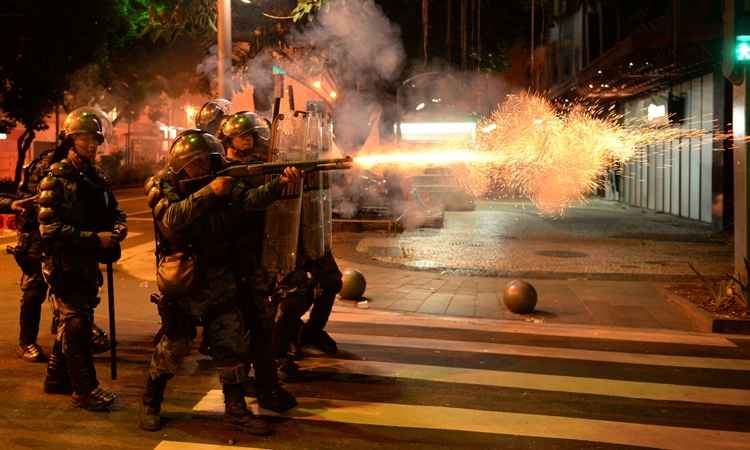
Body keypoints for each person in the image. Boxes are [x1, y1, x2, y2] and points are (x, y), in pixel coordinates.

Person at [138, 129, 302, 434]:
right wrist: (210, 191)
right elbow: (172, 218)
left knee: (232, 346)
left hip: (221, 279)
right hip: (185, 282)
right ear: (182, 164)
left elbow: (250, 200)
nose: (206, 169)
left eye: (211, 162)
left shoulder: (223, 178)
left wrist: (281, 183)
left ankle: (236, 409)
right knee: (173, 348)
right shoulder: (163, 185)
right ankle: (151, 400)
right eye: (199, 164)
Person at [38, 107, 127, 411]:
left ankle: (55, 376)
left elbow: (115, 211)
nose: (91, 144)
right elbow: (50, 229)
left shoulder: (96, 177)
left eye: (95, 139)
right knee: (76, 322)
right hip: (62, 262)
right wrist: (93, 239)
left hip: (87, 263)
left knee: (78, 318)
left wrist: (117, 228)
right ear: (71, 140)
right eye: (85, 138)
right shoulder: (56, 179)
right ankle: (84, 389)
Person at [218, 111, 297, 412]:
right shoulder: (225, 171)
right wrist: (278, 184)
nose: (249, 141)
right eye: (243, 136)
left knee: (257, 328)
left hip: (253, 259)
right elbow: (248, 202)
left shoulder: (250, 167)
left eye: (252, 135)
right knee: (247, 331)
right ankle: (257, 392)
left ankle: (264, 388)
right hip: (233, 262)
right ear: (229, 139)